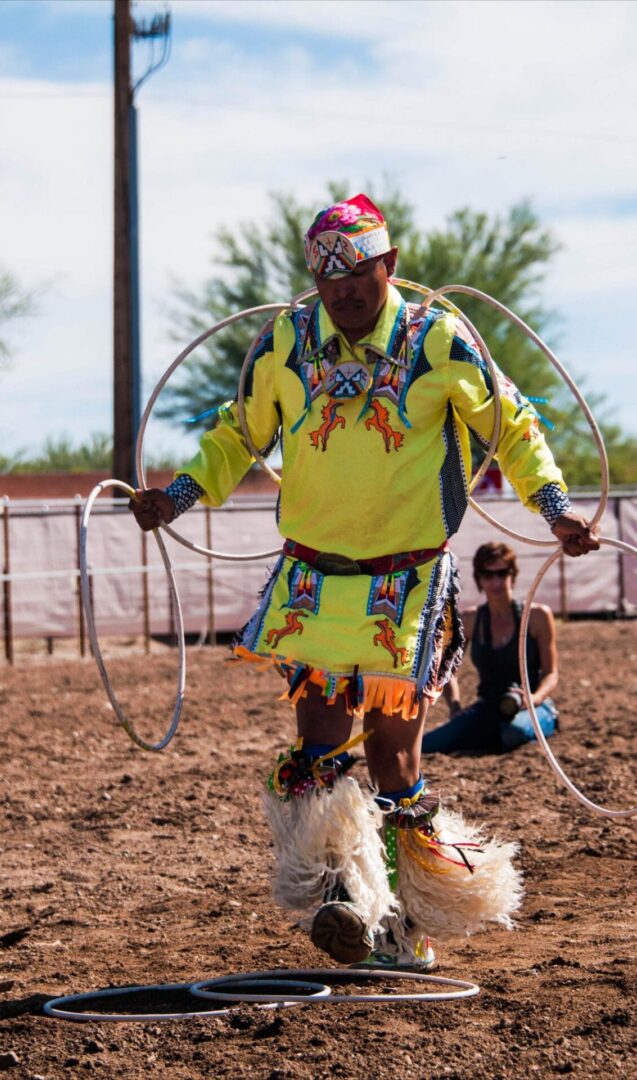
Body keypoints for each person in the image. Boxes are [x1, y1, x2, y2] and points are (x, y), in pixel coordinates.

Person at [131, 194, 598, 971]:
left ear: (389, 266)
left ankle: (405, 925)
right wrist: (176, 496)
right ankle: (347, 898)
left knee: (393, 754)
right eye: (328, 278)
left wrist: (553, 511)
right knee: (314, 749)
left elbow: (511, 428)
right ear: (313, 280)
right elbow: (238, 435)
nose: (343, 290)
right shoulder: (284, 342)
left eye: (358, 274)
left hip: (404, 586)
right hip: (312, 581)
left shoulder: (440, 341)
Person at [424, 542, 559, 755]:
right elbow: (447, 670)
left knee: (514, 733)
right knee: (427, 744)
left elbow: (551, 673)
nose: (496, 581)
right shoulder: (470, 619)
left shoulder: (537, 616)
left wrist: (535, 697)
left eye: (502, 573)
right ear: (478, 579)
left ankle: (536, 724)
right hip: (488, 706)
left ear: (512, 574)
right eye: (488, 574)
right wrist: (455, 706)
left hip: (532, 706)